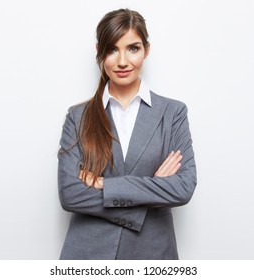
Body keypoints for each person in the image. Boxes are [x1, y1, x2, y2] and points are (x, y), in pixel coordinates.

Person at [58, 8, 197, 260]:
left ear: (147, 50)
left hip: (152, 254)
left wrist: (104, 184)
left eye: (133, 48)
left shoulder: (173, 113)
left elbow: (182, 188)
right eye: (112, 49)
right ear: (99, 51)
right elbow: (70, 194)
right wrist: (152, 189)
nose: (122, 61)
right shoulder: (78, 117)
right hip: (88, 255)